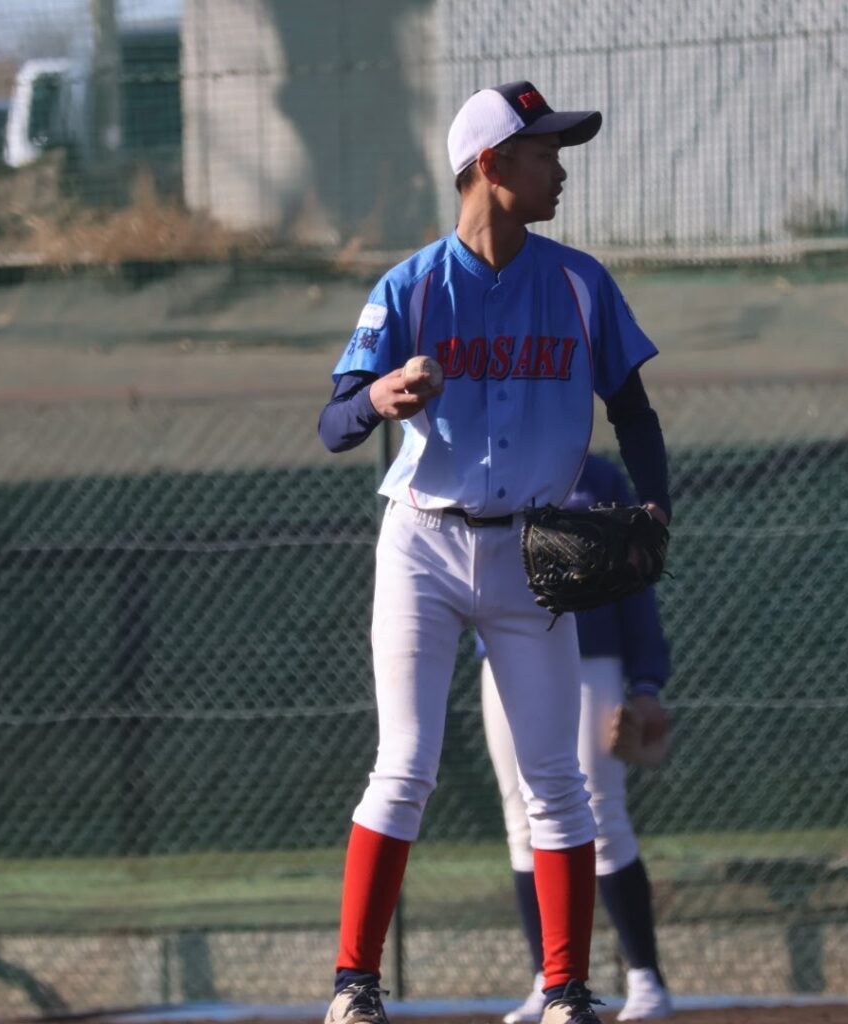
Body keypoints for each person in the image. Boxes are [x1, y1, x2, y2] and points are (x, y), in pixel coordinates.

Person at [317, 80, 672, 1024]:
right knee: (405, 765)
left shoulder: (579, 283)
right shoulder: (409, 287)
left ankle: (565, 991)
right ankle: (354, 986)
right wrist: (378, 396)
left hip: (531, 553)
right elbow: (333, 424)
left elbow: (633, 412)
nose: (560, 169)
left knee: (556, 780)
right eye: (544, 152)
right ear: (489, 165)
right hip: (423, 547)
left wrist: (654, 508)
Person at [480, 453, 673, 1022]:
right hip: (505, 659)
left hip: (593, 658)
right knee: (522, 822)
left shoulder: (600, 477)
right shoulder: (492, 465)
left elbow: (637, 580)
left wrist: (646, 682)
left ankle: (646, 979)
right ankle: (549, 980)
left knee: (601, 816)